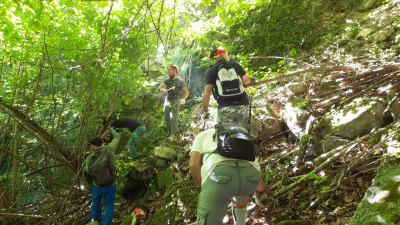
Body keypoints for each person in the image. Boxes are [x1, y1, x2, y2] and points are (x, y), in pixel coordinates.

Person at [188, 125, 267, 225]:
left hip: (219, 178)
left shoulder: (202, 135)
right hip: (251, 177)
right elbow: (252, 164)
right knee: (241, 199)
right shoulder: (243, 134)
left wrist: (204, 186)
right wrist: (261, 192)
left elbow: (193, 164)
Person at [202, 46, 252, 130]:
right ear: (222, 54)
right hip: (243, 104)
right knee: (243, 132)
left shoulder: (211, 71)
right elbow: (247, 81)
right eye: (225, 52)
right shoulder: (235, 65)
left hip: (225, 107)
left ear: (214, 59)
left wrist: (205, 110)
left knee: (225, 135)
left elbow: (207, 93)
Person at [84, 126, 121, 225]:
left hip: (97, 185)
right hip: (111, 183)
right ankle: (106, 223)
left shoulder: (89, 158)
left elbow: (88, 171)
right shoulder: (110, 149)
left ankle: (96, 221)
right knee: (109, 205)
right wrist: (110, 128)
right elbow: (117, 137)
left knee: (96, 204)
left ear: (93, 146)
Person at [159, 65, 190, 137]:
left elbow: (186, 92)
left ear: (175, 71)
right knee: (167, 118)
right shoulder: (167, 80)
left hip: (176, 100)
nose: (169, 72)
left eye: (170, 70)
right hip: (167, 100)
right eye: (168, 70)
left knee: (174, 118)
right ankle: (169, 133)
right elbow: (160, 86)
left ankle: (174, 136)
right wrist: (162, 89)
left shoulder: (180, 81)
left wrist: (183, 98)